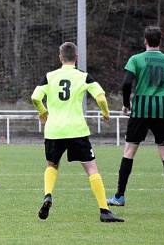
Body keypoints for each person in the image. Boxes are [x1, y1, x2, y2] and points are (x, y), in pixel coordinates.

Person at [31, 42, 123, 223]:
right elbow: (100, 96)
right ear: (77, 57)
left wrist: (42, 111)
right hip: (76, 129)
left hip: (54, 130)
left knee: (52, 165)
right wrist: (105, 113)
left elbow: (35, 97)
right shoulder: (83, 76)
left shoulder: (49, 76)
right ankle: (104, 210)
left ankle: (48, 195)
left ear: (60, 57)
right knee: (91, 168)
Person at [107, 26, 164, 215]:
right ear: (160, 40)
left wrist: (126, 104)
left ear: (145, 41)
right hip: (161, 111)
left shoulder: (136, 59)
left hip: (140, 110)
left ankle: (119, 196)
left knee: (129, 151)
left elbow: (126, 83)